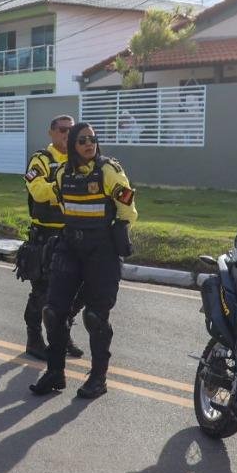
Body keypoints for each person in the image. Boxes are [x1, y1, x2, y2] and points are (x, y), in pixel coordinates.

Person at [29, 122, 137, 399]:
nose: (89, 144)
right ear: (74, 146)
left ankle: (98, 378)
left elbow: (128, 207)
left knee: (95, 317)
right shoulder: (64, 172)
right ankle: (55, 373)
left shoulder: (109, 170)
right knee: (53, 312)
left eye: (92, 139)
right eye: (82, 140)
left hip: (101, 250)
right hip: (69, 246)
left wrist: (118, 230)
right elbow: (53, 196)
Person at [20, 114, 83, 360]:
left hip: (73, 235)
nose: (67, 135)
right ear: (51, 132)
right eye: (62, 130)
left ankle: (62, 335)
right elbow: (37, 190)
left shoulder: (79, 160)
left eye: (71, 130)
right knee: (42, 292)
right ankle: (34, 338)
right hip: (46, 237)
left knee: (76, 292)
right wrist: (65, 188)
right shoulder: (41, 160)